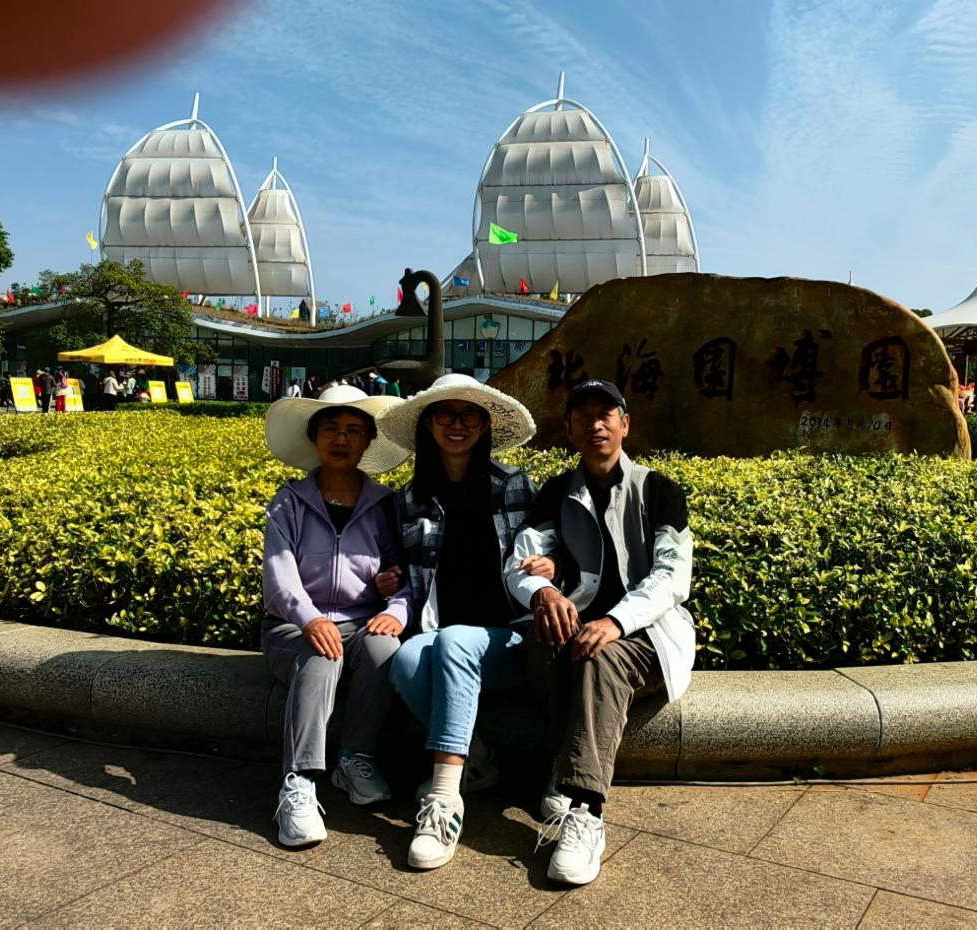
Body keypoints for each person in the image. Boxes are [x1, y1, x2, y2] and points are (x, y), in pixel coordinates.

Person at [507, 379, 697, 886]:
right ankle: (564, 766)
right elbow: (520, 561)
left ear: (625, 425)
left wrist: (616, 622)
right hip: (583, 623)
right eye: (583, 416)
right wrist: (540, 592)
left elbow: (672, 576)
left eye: (606, 414)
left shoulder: (659, 490)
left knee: (599, 656)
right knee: (543, 638)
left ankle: (586, 812)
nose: (596, 424)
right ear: (569, 430)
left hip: (646, 634)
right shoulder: (557, 492)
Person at [372, 373, 548, 870]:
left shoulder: (513, 485)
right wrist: (389, 582)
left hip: (507, 640)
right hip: (439, 634)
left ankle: (445, 801)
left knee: (454, 641)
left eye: (469, 415)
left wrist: (553, 564)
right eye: (444, 415)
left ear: (485, 425)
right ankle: (480, 760)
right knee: (406, 661)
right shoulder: (407, 498)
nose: (457, 425)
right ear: (427, 425)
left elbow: (545, 544)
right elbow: (402, 571)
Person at [259, 384, 410, 848]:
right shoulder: (288, 502)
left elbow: (405, 570)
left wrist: (398, 603)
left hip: (361, 623)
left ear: (367, 443)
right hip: (291, 627)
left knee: (385, 647)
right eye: (330, 429)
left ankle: (354, 759)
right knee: (320, 654)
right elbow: (279, 578)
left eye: (352, 430)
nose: (341, 439)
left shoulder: (386, 504)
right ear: (314, 438)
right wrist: (309, 619)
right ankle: (299, 783)